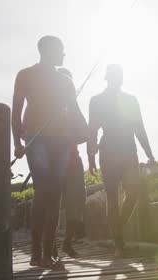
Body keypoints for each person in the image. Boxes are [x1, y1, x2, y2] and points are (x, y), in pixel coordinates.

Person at [11, 36, 81, 268]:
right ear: (49, 51)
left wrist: (87, 133)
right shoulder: (25, 75)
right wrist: (16, 143)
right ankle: (36, 252)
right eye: (61, 50)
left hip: (60, 140)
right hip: (36, 139)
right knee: (43, 190)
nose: (63, 55)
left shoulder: (65, 81)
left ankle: (48, 251)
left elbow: (74, 112)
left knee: (56, 194)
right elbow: (16, 110)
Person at [87, 64, 157, 257]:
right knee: (112, 196)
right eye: (115, 75)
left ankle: (117, 230)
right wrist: (90, 157)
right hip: (108, 150)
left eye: (120, 75)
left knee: (133, 192)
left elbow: (139, 128)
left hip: (128, 149)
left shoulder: (130, 100)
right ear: (108, 78)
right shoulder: (97, 101)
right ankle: (119, 244)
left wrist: (150, 154)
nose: (119, 78)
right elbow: (92, 130)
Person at [56, 67, 86, 258]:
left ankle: (67, 243)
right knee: (51, 203)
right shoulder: (45, 106)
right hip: (52, 163)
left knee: (77, 201)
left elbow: (84, 133)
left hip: (73, 162)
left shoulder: (73, 106)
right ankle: (49, 246)